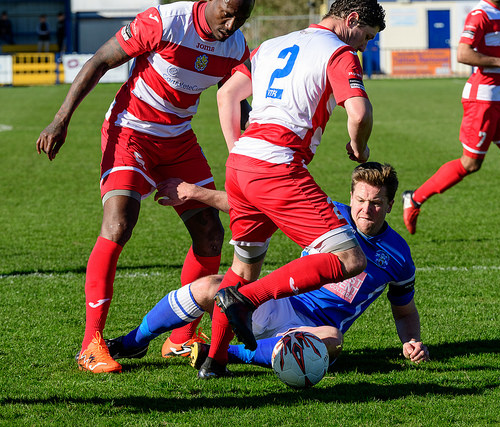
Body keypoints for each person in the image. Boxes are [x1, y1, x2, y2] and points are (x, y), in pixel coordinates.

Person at [35, 0, 254, 374]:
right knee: (119, 224)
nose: (232, 24)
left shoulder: (235, 46)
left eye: (242, 18)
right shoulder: (165, 22)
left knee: (211, 235)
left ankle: (181, 337)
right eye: (228, 13)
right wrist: (60, 120)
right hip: (130, 132)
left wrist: (253, 139)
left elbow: (235, 96)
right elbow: (100, 61)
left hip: (179, 140)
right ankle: (91, 345)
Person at [199, 0, 386, 379]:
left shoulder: (272, 45)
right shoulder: (339, 52)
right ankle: (246, 300)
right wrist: (359, 146)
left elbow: (226, 95)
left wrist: (237, 151)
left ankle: (214, 363)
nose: (364, 46)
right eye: (365, 36)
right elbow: (360, 112)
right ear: (351, 20)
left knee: (243, 267)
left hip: (242, 162)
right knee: (350, 260)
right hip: (278, 164)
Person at [106, 162, 429, 374]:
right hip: (275, 301)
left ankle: (225, 353)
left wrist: (410, 341)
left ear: (390, 205)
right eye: (360, 200)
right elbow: (253, 205)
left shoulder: (398, 256)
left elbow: (404, 311)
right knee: (211, 286)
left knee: (332, 340)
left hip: (312, 329)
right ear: (351, 197)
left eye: (376, 203)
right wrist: (195, 193)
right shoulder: (330, 215)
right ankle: (133, 342)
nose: (366, 209)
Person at [402, 0, 500, 243]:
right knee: (471, 163)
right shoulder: (480, 14)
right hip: (482, 100)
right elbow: (463, 53)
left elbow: (497, 54)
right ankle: (415, 198)